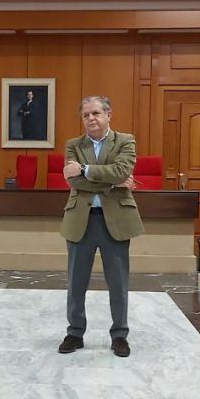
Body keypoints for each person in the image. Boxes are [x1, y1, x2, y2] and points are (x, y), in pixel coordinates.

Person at [58, 96, 143, 357]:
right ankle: (75, 332)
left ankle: (119, 335)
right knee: (76, 281)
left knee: (118, 282)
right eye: (86, 115)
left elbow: (121, 170)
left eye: (96, 113)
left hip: (115, 221)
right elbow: (76, 183)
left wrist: (84, 169)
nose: (91, 118)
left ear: (108, 115)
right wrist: (113, 182)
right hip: (80, 220)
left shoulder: (125, 141)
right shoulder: (73, 145)